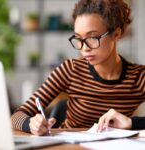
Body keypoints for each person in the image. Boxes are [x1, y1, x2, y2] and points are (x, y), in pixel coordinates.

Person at [11, 0, 145, 136]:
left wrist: (131, 122)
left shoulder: (139, 76)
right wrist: (31, 124)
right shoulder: (71, 69)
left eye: (92, 37)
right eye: (78, 38)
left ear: (116, 34)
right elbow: (16, 117)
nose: (84, 48)